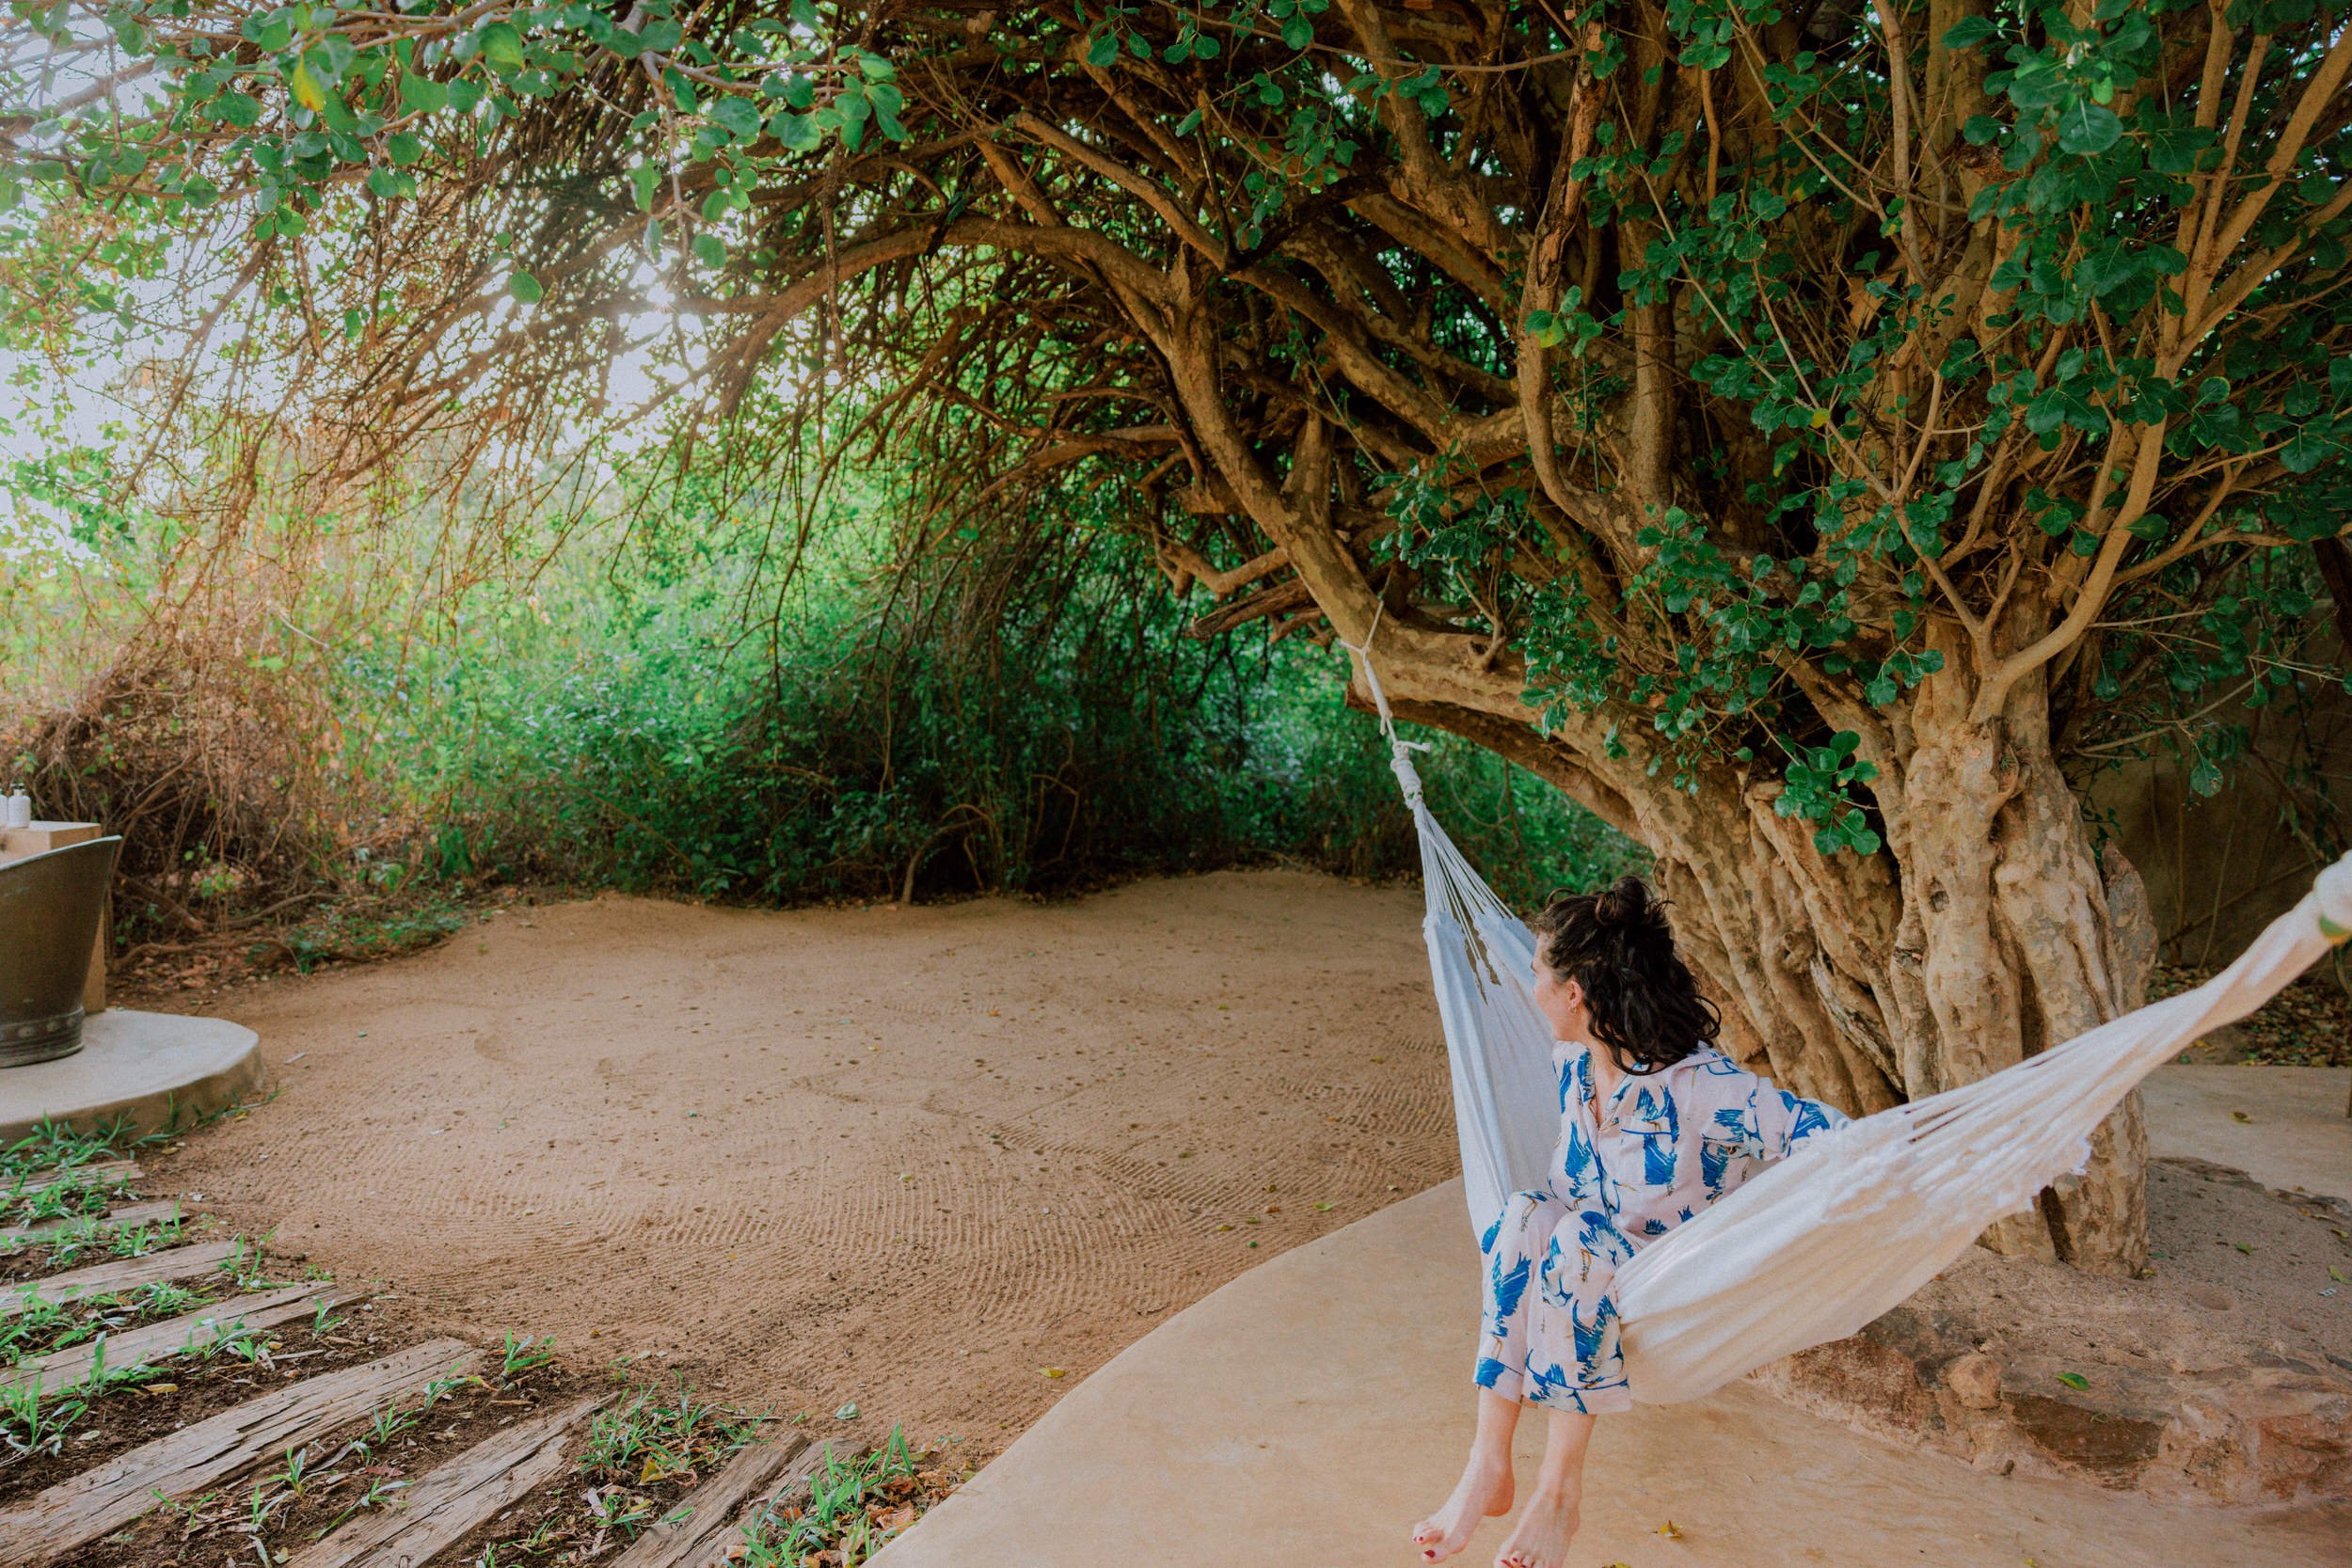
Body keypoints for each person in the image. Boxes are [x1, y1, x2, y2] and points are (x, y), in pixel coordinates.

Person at [1410, 876, 1848, 1568]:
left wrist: (1914, 1158)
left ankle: (1558, 1495)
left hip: (1663, 1279)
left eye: (1537, 974)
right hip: (1573, 1264)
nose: (1531, 989)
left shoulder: (1705, 1088)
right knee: (1523, 1212)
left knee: (1578, 1242)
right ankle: (1487, 1465)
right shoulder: (1572, 1067)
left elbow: (1824, 1133)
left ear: (1575, 992)